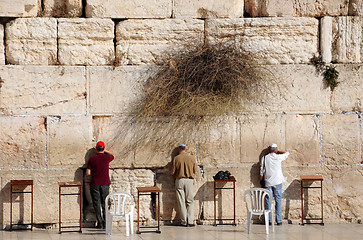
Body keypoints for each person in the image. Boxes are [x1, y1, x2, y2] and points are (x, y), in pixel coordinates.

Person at [86, 141, 116, 229]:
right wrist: (105, 151)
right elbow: (114, 155)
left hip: (95, 183)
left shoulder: (92, 159)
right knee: (105, 203)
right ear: (103, 148)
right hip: (105, 183)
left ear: (96, 149)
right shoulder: (107, 158)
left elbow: (88, 173)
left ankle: (100, 223)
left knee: (96, 203)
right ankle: (106, 222)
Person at [260, 143, 289, 225]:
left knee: (268, 201)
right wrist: (279, 150)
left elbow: (261, 170)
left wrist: (261, 180)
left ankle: (269, 220)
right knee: (278, 200)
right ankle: (279, 220)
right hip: (277, 182)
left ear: (269, 150)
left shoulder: (264, 158)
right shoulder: (279, 157)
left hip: (268, 182)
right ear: (276, 150)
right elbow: (287, 153)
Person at [170, 143, 198, 227]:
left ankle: (184, 221)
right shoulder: (192, 158)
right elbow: (195, 171)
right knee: (190, 201)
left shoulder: (176, 158)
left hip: (179, 180)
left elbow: (172, 172)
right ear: (186, 149)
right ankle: (190, 221)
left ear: (179, 149)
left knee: (181, 201)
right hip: (189, 180)